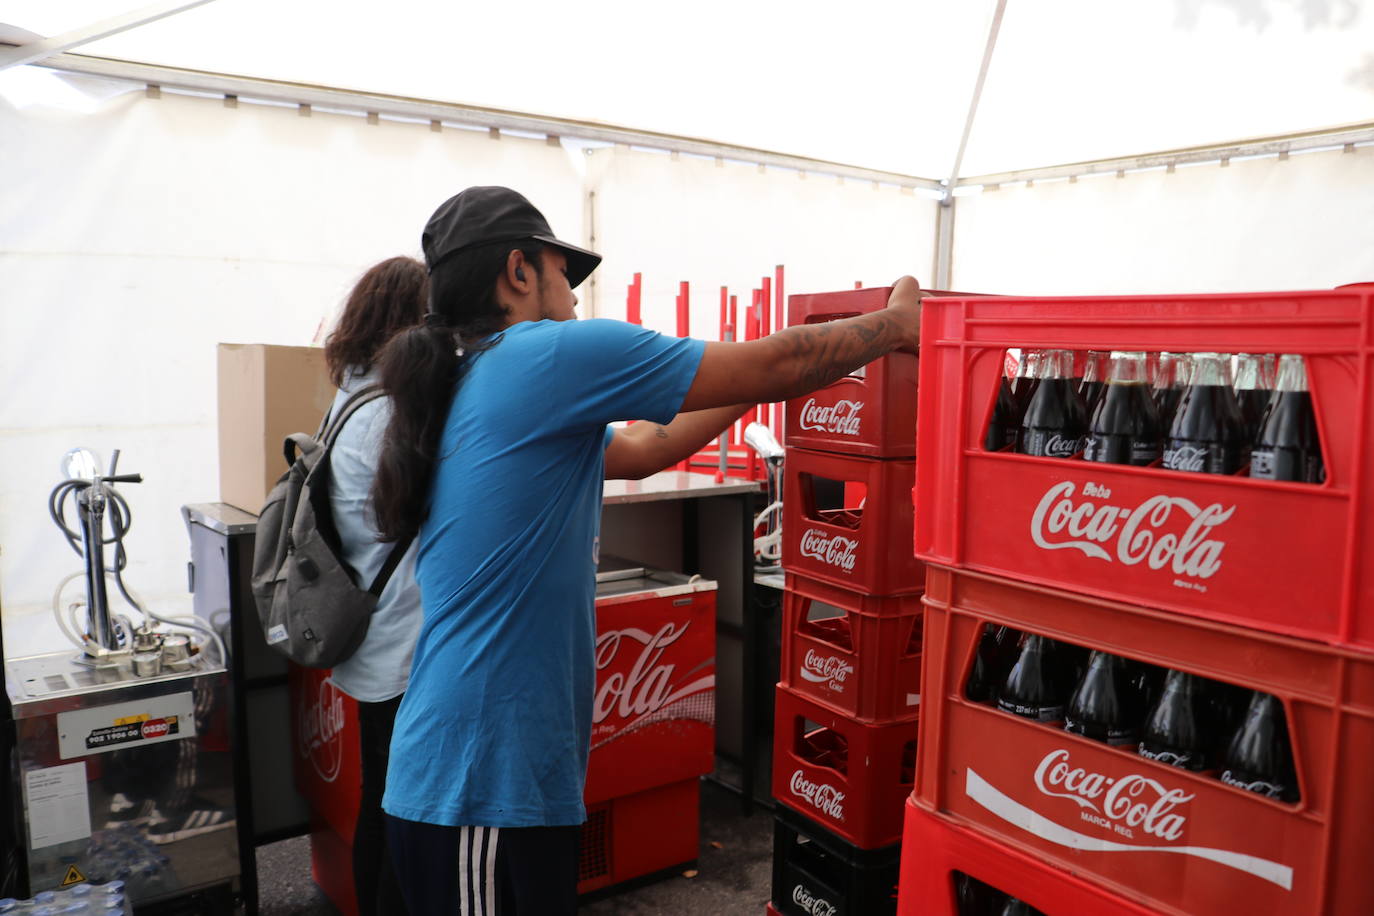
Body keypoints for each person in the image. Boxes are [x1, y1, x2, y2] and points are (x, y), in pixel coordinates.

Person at [371, 186, 923, 916]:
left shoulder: (489, 380)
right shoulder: (545, 359)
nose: (573, 288)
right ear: (519, 272)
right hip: (477, 785)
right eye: (563, 269)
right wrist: (893, 325)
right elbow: (772, 362)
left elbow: (642, 448)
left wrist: (776, 383)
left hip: (486, 779)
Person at [321, 255, 429, 916]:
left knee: (378, 800)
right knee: (402, 813)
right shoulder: (391, 408)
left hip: (368, 633)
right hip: (400, 642)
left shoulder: (349, 393)